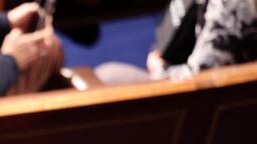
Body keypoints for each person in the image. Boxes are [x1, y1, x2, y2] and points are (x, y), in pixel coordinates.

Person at [95, 0, 257, 84]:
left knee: (107, 75)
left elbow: (202, 78)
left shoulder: (232, 5)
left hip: (211, 108)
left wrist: (159, 67)